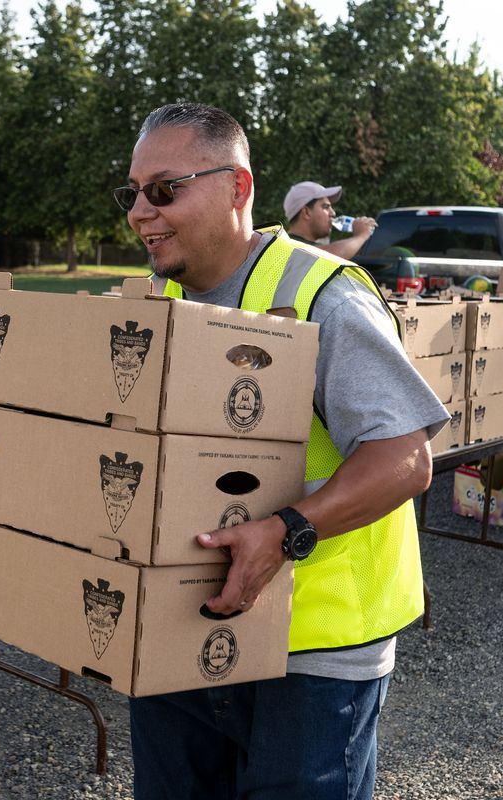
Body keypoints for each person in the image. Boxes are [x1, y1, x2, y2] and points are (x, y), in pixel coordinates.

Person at [115, 103, 449, 799]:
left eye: (164, 190)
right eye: (133, 193)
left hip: (317, 652)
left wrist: (286, 532)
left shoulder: (320, 295)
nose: (140, 212)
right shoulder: (157, 301)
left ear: (237, 188)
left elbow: (406, 458)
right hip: (185, 624)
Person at [283, 180, 377, 260]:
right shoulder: (287, 246)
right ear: (306, 212)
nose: (333, 213)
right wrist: (361, 236)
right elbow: (329, 256)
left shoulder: (297, 245)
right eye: (326, 207)